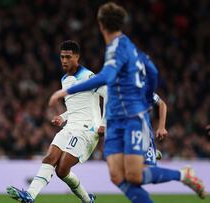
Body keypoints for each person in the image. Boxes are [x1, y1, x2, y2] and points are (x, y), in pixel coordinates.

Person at [48, 3, 206, 203]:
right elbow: (153, 72)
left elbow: (106, 75)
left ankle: (183, 175)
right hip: (117, 119)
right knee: (116, 176)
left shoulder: (118, 47)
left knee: (134, 176)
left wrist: (67, 90)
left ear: (101, 25)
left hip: (130, 117)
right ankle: (182, 175)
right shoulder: (130, 48)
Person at [7, 40, 107, 203]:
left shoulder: (88, 76)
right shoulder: (65, 79)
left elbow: (108, 95)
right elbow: (78, 105)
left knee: (62, 168)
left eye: (68, 57)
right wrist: (63, 116)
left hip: (87, 129)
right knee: (50, 159)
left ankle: (87, 200)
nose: (65, 61)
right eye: (62, 57)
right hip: (70, 127)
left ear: (77, 57)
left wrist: (103, 123)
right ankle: (30, 196)